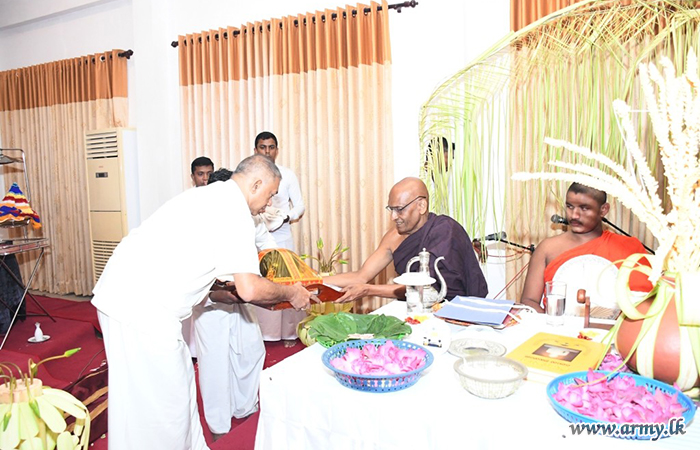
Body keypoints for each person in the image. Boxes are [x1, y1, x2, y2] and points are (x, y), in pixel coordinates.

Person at [91, 155, 316, 450]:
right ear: (256, 184)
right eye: (270, 194)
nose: (270, 203)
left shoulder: (213, 196)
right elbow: (249, 288)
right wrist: (291, 294)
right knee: (164, 406)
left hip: (127, 297)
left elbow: (198, 266)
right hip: (141, 307)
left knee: (161, 393)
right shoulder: (234, 209)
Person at [192, 168, 276, 440]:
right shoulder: (200, 218)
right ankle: (219, 427)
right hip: (210, 298)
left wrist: (279, 270)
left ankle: (246, 407)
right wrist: (215, 291)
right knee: (215, 362)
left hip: (243, 293)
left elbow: (269, 247)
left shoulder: (249, 216)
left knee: (251, 351)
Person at [325, 177, 488, 303]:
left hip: (456, 310)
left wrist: (369, 290)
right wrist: (315, 281)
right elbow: (361, 276)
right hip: (415, 310)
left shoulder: (445, 230)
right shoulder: (393, 237)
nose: (393, 217)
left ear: (421, 206)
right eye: (391, 209)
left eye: (399, 209)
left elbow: (426, 287)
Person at [520, 182, 651, 313]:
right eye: (570, 206)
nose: (574, 215)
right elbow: (529, 301)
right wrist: (551, 323)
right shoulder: (547, 248)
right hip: (556, 324)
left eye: (584, 208)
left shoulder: (628, 248)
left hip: (614, 325)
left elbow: (645, 302)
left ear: (603, 210)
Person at [250, 131, 307, 346]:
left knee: (286, 282)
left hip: (282, 236)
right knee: (260, 283)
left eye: (271, 147)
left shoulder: (287, 175)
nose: (267, 151)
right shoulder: (250, 176)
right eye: (262, 147)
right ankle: (264, 333)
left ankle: (289, 333)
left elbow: (299, 206)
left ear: (277, 150)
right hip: (255, 238)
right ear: (255, 150)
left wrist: (286, 217)